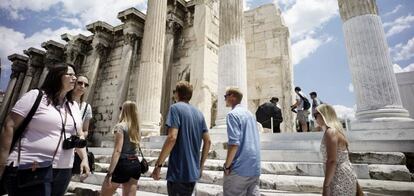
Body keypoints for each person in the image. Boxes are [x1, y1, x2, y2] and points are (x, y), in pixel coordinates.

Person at [0, 63, 90, 196]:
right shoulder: (36, 96)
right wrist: (2, 162)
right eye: (70, 74)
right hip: (31, 166)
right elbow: (9, 125)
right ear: (57, 76)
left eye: (75, 75)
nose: (75, 78)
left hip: (63, 169)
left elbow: (78, 135)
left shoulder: (73, 106)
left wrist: (84, 159)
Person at [151, 81, 211, 196]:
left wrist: (158, 165)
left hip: (178, 172)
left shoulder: (175, 108)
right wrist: (201, 166)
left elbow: (172, 137)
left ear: (177, 94)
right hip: (193, 173)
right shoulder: (199, 113)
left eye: (174, 92)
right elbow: (208, 141)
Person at [223, 87, 261, 196]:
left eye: (225, 96)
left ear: (232, 97)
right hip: (254, 167)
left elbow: (234, 143)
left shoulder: (232, 115)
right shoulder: (251, 115)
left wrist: (227, 166)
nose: (224, 99)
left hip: (239, 168)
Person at [315, 104, 359, 196]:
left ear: (324, 115)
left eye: (316, 115)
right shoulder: (334, 131)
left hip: (339, 176)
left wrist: (326, 185)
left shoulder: (330, 132)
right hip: (339, 173)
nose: (314, 118)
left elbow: (332, 160)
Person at [101, 101, 142, 196]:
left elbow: (118, 150)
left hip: (123, 164)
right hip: (135, 164)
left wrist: (109, 173)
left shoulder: (120, 127)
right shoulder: (137, 129)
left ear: (124, 111)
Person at [71, 75, 93, 175]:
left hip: (75, 146)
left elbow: (85, 130)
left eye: (85, 84)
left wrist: (81, 137)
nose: (82, 86)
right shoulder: (63, 102)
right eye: (80, 83)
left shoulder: (86, 107)